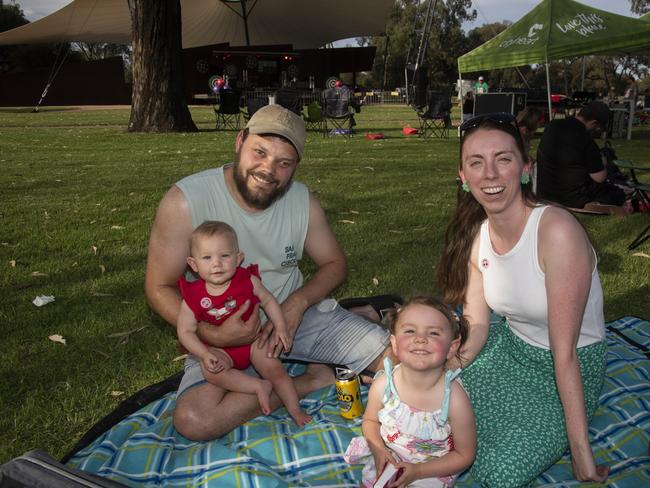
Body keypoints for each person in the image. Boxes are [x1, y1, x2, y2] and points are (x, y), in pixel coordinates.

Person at [145, 104, 392, 440]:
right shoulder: (185, 201)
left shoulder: (302, 201)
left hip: (294, 320)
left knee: (398, 362)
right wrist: (209, 333)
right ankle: (311, 380)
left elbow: (335, 265)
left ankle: (348, 327)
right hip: (216, 327)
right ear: (239, 142)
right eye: (259, 152)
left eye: (283, 162)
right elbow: (158, 287)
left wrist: (296, 304)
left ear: (295, 167)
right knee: (194, 420)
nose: (268, 169)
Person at [437, 112, 609, 486]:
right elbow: (478, 324)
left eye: (503, 159)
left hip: (563, 367)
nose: (491, 175)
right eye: (476, 163)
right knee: (429, 414)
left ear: (525, 168)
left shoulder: (556, 231)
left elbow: (564, 353)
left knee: (501, 472)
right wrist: (445, 372)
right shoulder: (479, 236)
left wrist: (583, 459)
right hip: (509, 349)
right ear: (463, 178)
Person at [177, 220, 311, 427]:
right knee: (213, 372)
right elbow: (185, 331)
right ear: (193, 264)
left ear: (238, 258)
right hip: (220, 349)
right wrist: (204, 355)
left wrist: (281, 326)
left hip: (252, 344)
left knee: (276, 371)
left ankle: (295, 410)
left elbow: (268, 301)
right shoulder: (193, 296)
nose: (216, 263)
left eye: (225, 256)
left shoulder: (247, 280)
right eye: (207, 257)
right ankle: (256, 386)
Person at [344, 296, 476, 488]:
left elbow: (465, 455)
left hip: (431, 469)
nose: (420, 338)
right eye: (410, 330)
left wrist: (419, 472)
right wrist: (379, 449)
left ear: (451, 348)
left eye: (433, 333)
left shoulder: (454, 399)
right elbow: (370, 421)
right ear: (395, 344)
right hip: (389, 456)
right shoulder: (383, 384)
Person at [536, 101, 625, 209]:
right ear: (593, 123)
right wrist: (604, 163)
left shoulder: (551, 126)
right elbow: (599, 178)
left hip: (545, 194)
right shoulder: (586, 140)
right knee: (617, 193)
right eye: (597, 127)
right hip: (572, 198)